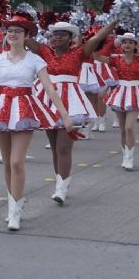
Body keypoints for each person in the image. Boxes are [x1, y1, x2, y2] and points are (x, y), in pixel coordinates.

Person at [0, 14, 73, 231]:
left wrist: (64, 115)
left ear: (27, 35)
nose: (13, 35)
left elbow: (49, 87)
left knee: (17, 162)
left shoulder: (35, 60)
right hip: (1, 108)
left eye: (18, 31)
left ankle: (15, 212)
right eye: (10, 31)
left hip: (24, 108)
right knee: (8, 161)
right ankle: (14, 204)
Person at [26, 20, 116, 204]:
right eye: (54, 34)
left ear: (71, 38)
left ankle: (61, 188)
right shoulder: (44, 51)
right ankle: (61, 181)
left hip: (71, 102)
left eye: (62, 34)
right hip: (48, 99)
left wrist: (114, 21)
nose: (56, 37)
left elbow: (98, 37)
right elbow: (24, 38)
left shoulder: (79, 52)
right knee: (54, 148)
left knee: (64, 148)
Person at [98, 33, 139, 170]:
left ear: (135, 45)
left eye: (131, 42)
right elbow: (97, 56)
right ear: (121, 45)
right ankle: (125, 156)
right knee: (123, 129)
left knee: (129, 127)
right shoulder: (116, 59)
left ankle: (130, 158)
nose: (127, 45)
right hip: (120, 93)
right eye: (124, 42)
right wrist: (109, 43)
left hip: (135, 93)